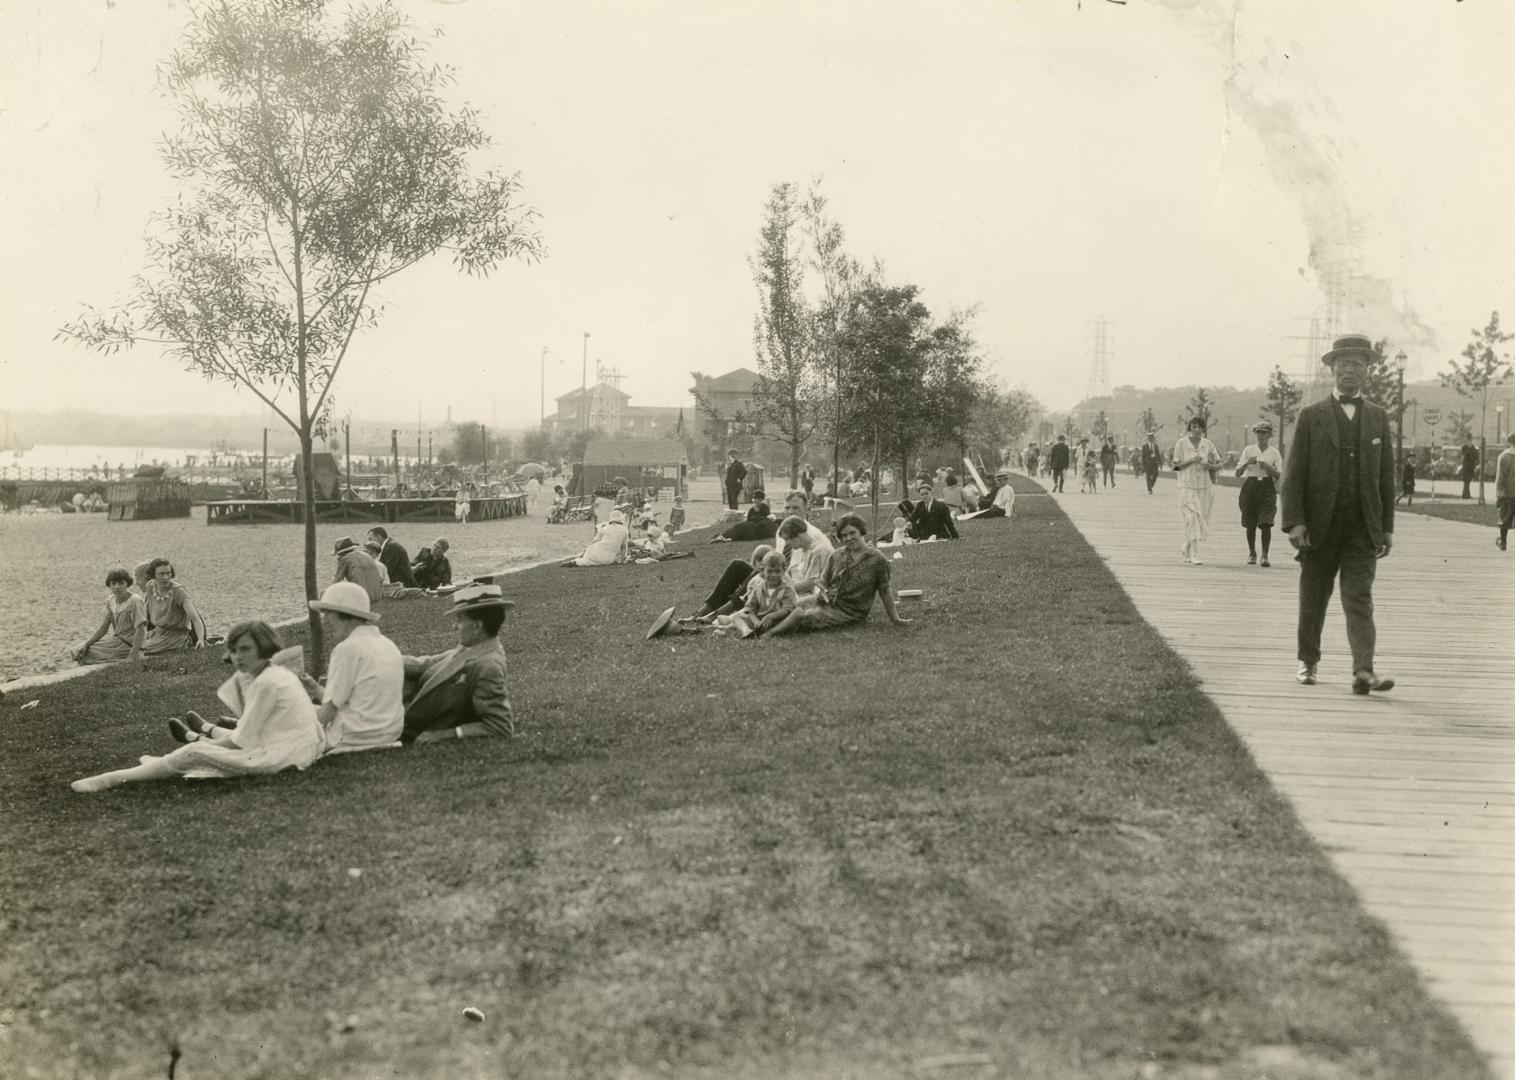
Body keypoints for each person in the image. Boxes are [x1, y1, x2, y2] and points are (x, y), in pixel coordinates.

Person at [70, 621, 323, 793]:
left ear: (264, 647)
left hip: (282, 756)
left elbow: (241, 741)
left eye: (246, 649)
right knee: (201, 753)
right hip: (299, 749)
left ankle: (114, 778)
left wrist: (201, 747)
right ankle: (160, 763)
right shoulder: (274, 673)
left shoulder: (266, 682)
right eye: (234, 651)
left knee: (195, 754)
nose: (238, 657)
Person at [1281, 333, 1397, 693]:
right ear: (1332, 369)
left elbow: (1385, 477)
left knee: (1359, 596)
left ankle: (1364, 670)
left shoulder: (1378, 417)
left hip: (1363, 526)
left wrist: (1387, 528)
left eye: (1358, 364)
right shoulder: (1311, 416)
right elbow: (1293, 473)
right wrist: (1296, 521)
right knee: (1314, 595)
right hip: (1319, 525)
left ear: (1367, 371)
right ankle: (1308, 661)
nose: (1351, 370)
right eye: (1344, 363)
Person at [400, 584, 515, 744]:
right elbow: (424, 664)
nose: (454, 626)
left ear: (477, 626)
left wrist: (445, 734)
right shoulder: (471, 648)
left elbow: (500, 726)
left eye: (459, 620)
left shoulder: (488, 665)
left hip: (404, 725)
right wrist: (384, 658)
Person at [765, 514, 911, 637]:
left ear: (861, 532)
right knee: (791, 606)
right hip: (824, 601)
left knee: (801, 616)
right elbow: (822, 581)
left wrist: (895, 619)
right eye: (844, 535)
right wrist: (823, 590)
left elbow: (885, 590)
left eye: (852, 533)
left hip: (850, 611)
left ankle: (769, 635)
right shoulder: (837, 555)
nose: (849, 538)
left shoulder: (877, 559)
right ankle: (757, 627)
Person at [303, 581, 405, 753]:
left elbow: (328, 711)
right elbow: (353, 698)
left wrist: (300, 730)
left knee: (287, 720)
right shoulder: (387, 644)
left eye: (327, 612)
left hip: (353, 736)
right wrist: (314, 688)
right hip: (387, 733)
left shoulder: (347, 648)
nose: (325, 619)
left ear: (343, 614)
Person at [715, 551, 798, 638]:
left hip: (778, 620)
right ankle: (746, 631)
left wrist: (771, 616)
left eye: (777, 571)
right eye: (770, 571)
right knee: (736, 616)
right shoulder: (758, 589)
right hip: (760, 621)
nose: (774, 575)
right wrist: (756, 622)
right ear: (763, 571)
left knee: (797, 612)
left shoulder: (785, 589)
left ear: (783, 571)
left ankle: (727, 629)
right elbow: (749, 608)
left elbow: (787, 609)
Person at [1173, 417, 1222, 565]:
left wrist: (1211, 467)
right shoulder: (1181, 443)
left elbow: (1219, 463)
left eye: (1199, 426)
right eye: (1193, 426)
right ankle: (1195, 554)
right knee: (1191, 518)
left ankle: (1187, 546)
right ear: (1190, 427)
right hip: (1186, 486)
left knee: (1202, 520)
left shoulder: (1207, 444)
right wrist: (1191, 460)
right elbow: (1175, 466)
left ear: (1203, 429)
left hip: (1204, 486)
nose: (1196, 429)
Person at [1234, 420, 1283, 567]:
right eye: (1259, 433)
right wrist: (1247, 463)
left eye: (1264, 433)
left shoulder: (1274, 453)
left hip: (1267, 486)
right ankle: (1252, 553)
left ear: (1269, 435)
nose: (1261, 435)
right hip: (1251, 485)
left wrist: (1268, 467)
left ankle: (1265, 555)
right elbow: (1237, 473)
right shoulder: (1249, 450)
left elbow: (1278, 475)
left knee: (1266, 522)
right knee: (1250, 522)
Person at [73, 568, 146, 665]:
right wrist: (87, 643)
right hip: (117, 642)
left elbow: (141, 630)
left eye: (121, 583)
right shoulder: (111, 600)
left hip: (130, 645)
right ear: (109, 585)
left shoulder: (134, 601)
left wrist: (132, 655)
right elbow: (104, 628)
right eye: (113, 584)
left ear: (127, 584)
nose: (117, 587)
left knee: (88, 654)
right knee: (78, 649)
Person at [140, 558, 208, 655]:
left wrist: (201, 640)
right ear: (153, 574)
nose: (166, 577)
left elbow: (195, 618)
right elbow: (145, 613)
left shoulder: (178, 592)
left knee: (138, 649)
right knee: (127, 645)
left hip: (175, 638)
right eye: (161, 574)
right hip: (156, 633)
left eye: (168, 573)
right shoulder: (150, 587)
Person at [775, 514, 835, 594]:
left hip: (824, 596)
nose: (787, 543)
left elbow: (810, 584)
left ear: (798, 535)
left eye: (787, 539)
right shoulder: (806, 548)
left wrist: (780, 589)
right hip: (810, 593)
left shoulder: (820, 550)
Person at [332, 536, 383, 603]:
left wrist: (339, 564)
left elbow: (335, 582)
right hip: (378, 596)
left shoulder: (345, 559)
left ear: (340, 553)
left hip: (362, 598)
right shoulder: (366, 556)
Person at [1495, 431, 1515, 551]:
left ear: (1509, 442)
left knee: (1505, 518)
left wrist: (1499, 494)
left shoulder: (1503, 456)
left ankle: (1503, 542)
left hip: (1508, 493)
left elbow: (1500, 478)